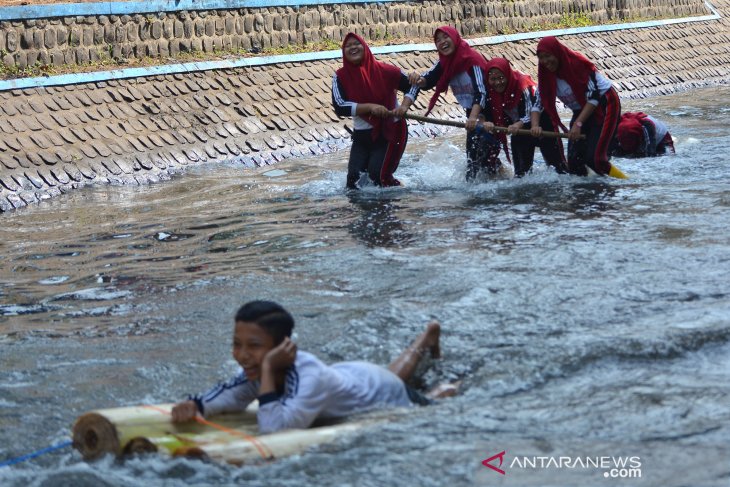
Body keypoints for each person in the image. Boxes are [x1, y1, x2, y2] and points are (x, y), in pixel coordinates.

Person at [171, 300, 456, 434]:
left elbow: (275, 431)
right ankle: (426, 337)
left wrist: (269, 370)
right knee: (391, 376)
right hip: (359, 376)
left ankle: (452, 386)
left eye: (254, 346)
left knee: (430, 400)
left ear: (283, 347)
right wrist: (194, 405)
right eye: (237, 344)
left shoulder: (306, 376)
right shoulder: (254, 370)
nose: (242, 355)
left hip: (382, 392)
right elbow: (227, 397)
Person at [408, 26, 502, 180]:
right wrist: (416, 78)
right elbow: (429, 79)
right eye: (438, 40)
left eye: (446, 37)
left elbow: (482, 91)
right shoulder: (445, 62)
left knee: (486, 161)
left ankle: (498, 187)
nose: (442, 42)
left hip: (488, 112)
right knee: (472, 164)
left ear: (455, 38)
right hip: (471, 114)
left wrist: (474, 117)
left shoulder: (472, 60)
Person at [332, 33, 419, 189]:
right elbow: (340, 107)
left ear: (365, 47)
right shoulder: (340, 77)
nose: (352, 48)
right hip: (362, 135)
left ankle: (404, 195)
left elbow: (413, 86)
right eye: (348, 45)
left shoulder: (386, 71)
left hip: (391, 131)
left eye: (356, 44)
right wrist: (370, 107)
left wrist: (404, 106)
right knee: (354, 181)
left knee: (378, 176)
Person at [530, 36, 625, 178]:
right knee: (574, 164)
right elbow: (537, 103)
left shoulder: (577, 63)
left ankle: (625, 182)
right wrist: (535, 125)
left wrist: (578, 123)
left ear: (557, 53)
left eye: (548, 56)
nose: (545, 62)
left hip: (605, 103)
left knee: (596, 159)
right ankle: (585, 196)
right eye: (541, 58)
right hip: (581, 109)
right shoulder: (545, 75)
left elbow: (594, 97)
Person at [479, 57, 566, 177]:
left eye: (501, 78)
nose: (498, 83)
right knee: (521, 176)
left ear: (507, 75)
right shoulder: (490, 91)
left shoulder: (522, 84)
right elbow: (485, 111)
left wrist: (518, 124)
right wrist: (486, 122)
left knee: (559, 171)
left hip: (542, 126)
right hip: (519, 132)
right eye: (493, 79)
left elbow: (531, 112)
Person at [611, 112, 675, 158]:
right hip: (638, 136)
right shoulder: (617, 126)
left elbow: (650, 155)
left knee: (668, 157)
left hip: (663, 139)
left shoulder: (647, 126)